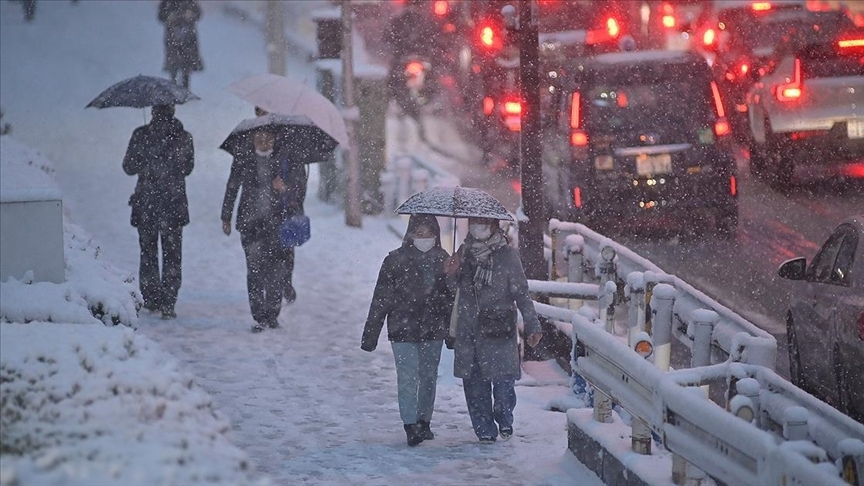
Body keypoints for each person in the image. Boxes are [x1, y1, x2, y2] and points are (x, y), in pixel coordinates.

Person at [444, 217, 543, 444]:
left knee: (503, 385)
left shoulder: (508, 255)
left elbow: (521, 293)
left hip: (499, 329)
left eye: (484, 223)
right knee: (475, 386)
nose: (479, 228)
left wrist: (532, 325)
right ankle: (485, 430)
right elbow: (453, 292)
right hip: (469, 330)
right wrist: (451, 273)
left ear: (494, 226)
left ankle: (504, 417)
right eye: (475, 223)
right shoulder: (464, 252)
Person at [361, 214, 453, 447]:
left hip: (433, 328)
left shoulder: (444, 259)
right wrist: (370, 335)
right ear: (410, 234)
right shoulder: (394, 260)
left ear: (436, 235)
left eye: (429, 234)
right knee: (408, 377)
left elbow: (453, 299)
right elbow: (380, 299)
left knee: (428, 377)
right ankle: (410, 424)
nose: (424, 238)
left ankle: (424, 420)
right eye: (419, 233)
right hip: (403, 328)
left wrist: (453, 274)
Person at [122, 104, 194, 320]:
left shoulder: (141, 135)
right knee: (172, 254)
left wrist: (145, 158)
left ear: (152, 112)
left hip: (147, 202)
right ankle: (169, 301)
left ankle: (151, 297)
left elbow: (128, 167)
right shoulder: (184, 137)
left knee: (148, 253)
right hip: (173, 203)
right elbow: (187, 168)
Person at [221, 128, 288, 333]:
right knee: (255, 269)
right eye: (259, 137)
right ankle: (259, 315)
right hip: (250, 223)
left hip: (276, 223)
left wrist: (285, 187)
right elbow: (232, 186)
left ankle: (273, 313)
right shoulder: (243, 158)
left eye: (268, 137)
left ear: (275, 139)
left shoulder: (283, 160)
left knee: (276, 271)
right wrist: (226, 216)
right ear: (252, 138)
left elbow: (298, 188)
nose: (263, 142)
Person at [253, 106, 307, 304]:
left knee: (285, 248)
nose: (260, 115)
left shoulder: (288, 143)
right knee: (271, 250)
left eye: (262, 111)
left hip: (285, 205)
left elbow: (299, 178)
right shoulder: (255, 138)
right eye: (257, 111)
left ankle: (284, 282)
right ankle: (276, 284)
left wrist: (287, 189)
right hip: (266, 208)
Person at [158, 0, 203, 89]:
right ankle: (173, 88)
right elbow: (161, 16)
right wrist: (169, 16)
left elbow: (198, 13)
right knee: (174, 64)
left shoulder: (190, 1)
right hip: (173, 37)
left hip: (188, 38)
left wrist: (191, 14)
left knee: (187, 64)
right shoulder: (167, 2)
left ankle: (185, 88)